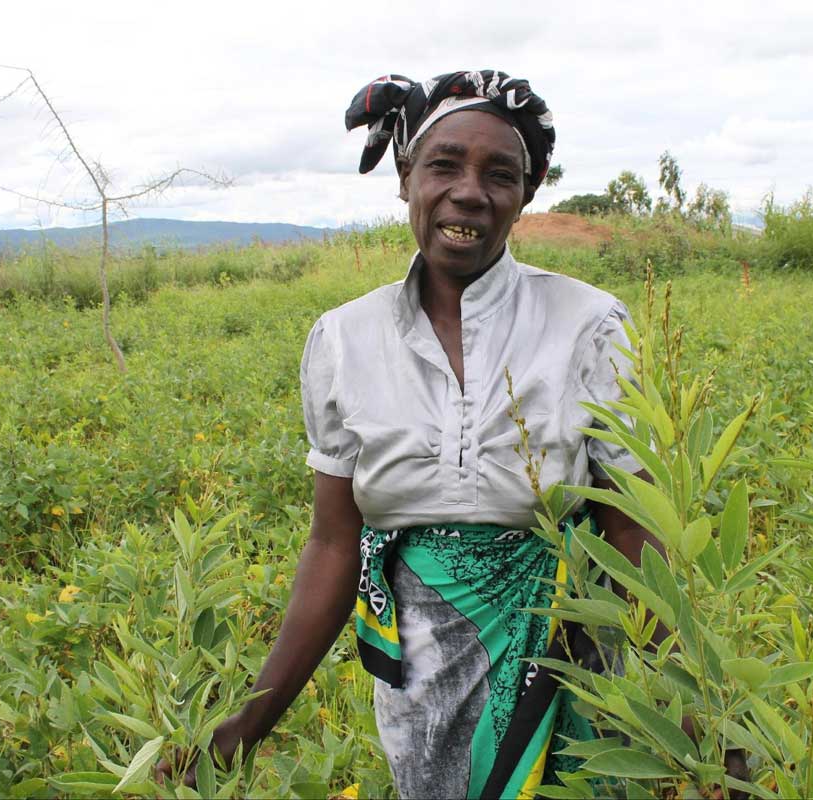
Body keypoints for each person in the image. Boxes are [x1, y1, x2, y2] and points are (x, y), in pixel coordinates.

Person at [159, 69, 664, 799]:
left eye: (500, 173)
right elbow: (334, 544)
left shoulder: (588, 326)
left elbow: (630, 533)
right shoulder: (343, 340)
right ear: (404, 179)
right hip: (421, 699)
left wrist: (689, 704)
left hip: (572, 677)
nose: (469, 191)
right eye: (444, 164)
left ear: (525, 196)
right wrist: (247, 725)